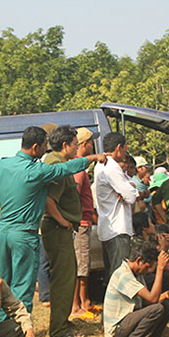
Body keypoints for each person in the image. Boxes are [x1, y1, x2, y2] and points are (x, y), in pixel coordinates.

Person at [0, 126, 105, 312]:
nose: (46, 150)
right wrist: (93, 158)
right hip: (24, 235)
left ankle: (1, 325)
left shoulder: (1, 165)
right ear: (35, 147)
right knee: (23, 286)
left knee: (3, 282)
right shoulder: (36, 170)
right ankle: (20, 331)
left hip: (4, 233)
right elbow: (65, 168)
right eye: (44, 146)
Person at [42, 125, 86, 337]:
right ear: (65, 145)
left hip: (59, 228)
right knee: (63, 278)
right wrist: (62, 221)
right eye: (75, 145)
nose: (77, 149)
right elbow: (49, 200)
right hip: (57, 228)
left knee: (65, 275)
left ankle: (62, 320)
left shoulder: (57, 163)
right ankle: (58, 329)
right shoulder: (57, 166)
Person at [103, 241, 169, 337]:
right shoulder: (124, 275)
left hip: (129, 318)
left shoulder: (137, 274)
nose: (147, 271)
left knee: (167, 304)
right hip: (118, 328)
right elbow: (152, 300)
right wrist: (160, 269)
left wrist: (164, 295)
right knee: (157, 309)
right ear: (138, 261)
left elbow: (146, 301)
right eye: (147, 267)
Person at [94, 132, 139, 280]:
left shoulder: (100, 165)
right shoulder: (112, 167)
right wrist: (129, 188)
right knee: (120, 275)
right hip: (117, 228)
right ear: (119, 148)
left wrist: (128, 187)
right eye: (125, 148)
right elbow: (131, 196)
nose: (126, 153)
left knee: (113, 273)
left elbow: (128, 189)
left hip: (108, 226)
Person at [71, 127, 99, 319]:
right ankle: (75, 307)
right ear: (84, 145)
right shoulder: (78, 170)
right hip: (80, 224)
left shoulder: (80, 167)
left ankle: (86, 301)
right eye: (90, 143)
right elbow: (74, 197)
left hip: (84, 222)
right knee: (79, 268)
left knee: (84, 266)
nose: (92, 146)